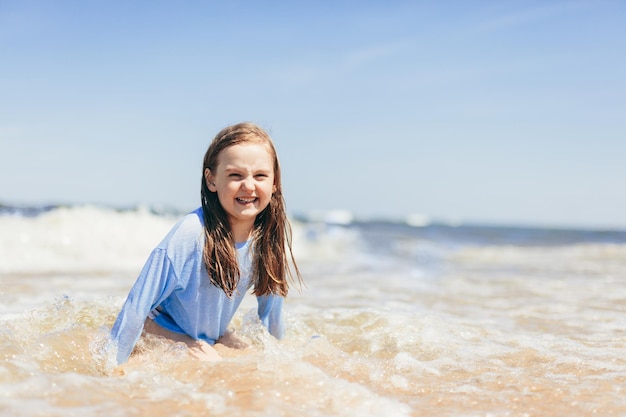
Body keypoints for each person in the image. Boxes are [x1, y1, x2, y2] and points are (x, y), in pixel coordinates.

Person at [109, 122, 301, 365]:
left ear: (274, 183)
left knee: (247, 357)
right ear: (211, 180)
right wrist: (111, 371)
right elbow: (137, 306)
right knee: (209, 362)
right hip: (158, 331)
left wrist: (281, 362)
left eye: (260, 175)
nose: (249, 185)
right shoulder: (190, 234)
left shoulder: (267, 239)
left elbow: (272, 317)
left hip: (211, 336)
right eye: (235, 175)